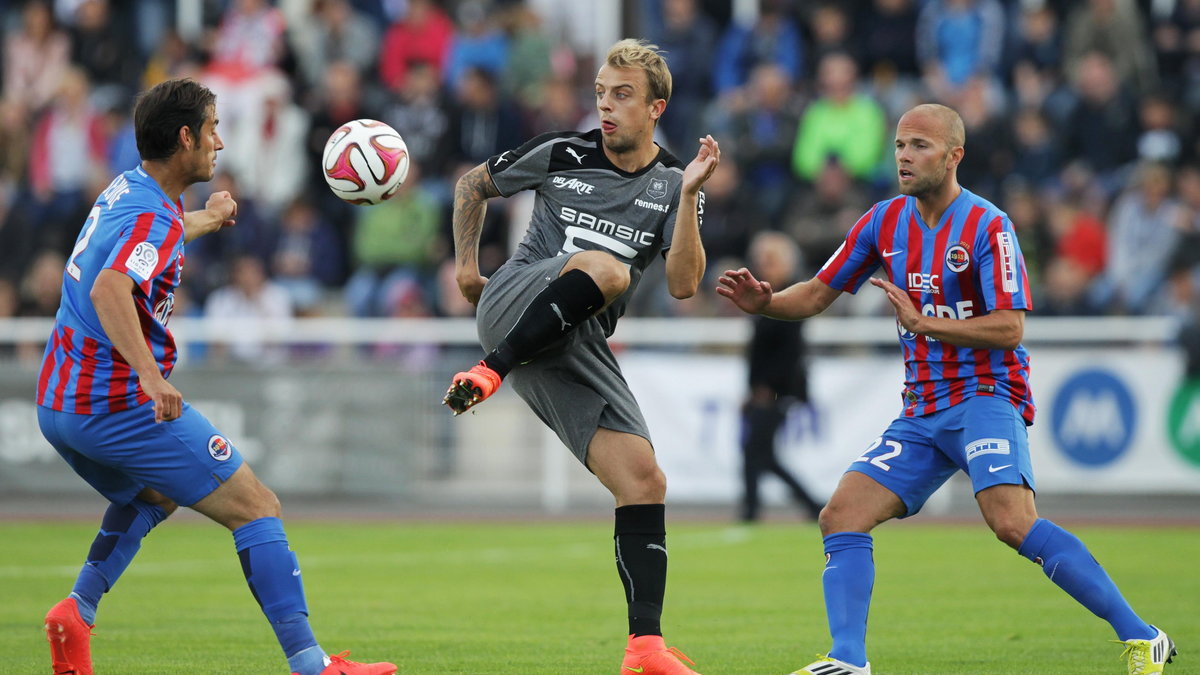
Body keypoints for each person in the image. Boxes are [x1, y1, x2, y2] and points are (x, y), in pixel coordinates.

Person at [717, 103, 1175, 675]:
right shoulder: (883, 221)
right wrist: (766, 303)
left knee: (1011, 522)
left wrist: (926, 323)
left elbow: (1010, 327)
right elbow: (815, 293)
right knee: (841, 514)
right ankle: (848, 660)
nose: (904, 156)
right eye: (900, 145)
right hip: (923, 411)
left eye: (920, 146)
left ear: (954, 155)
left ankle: (1143, 636)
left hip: (985, 395)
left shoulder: (989, 226)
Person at [36, 78, 394, 675]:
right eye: (212, 129)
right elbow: (110, 288)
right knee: (256, 506)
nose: (219, 142)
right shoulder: (153, 217)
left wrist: (206, 217)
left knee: (159, 495)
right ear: (186, 137)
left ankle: (76, 611)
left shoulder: (129, 191)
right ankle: (312, 665)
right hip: (113, 402)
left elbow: (139, 246)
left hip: (59, 403)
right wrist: (151, 378)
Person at [441, 39, 719, 675]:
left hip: (576, 335)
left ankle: (644, 650)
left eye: (622, 95)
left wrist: (686, 200)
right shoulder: (563, 151)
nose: (606, 106)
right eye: (601, 93)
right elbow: (471, 184)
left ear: (657, 107)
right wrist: (465, 268)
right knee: (608, 268)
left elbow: (683, 285)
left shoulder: (677, 182)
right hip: (517, 299)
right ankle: (490, 369)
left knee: (643, 480)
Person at [738, 231, 823, 523]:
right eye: (762, 259)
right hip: (767, 390)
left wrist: (766, 389)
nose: (764, 264)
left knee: (755, 453)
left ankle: (751, 513)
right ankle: (811, 505)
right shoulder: (766, 297)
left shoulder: (789, 297)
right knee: (763, 455)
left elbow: (789, 353)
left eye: (771, 259)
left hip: (776, 391)